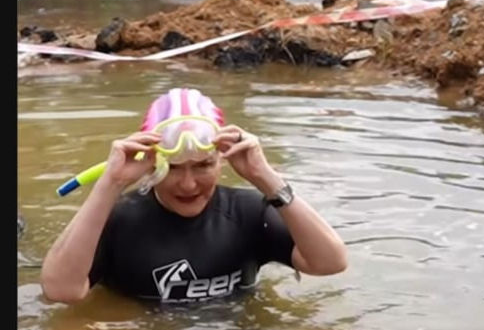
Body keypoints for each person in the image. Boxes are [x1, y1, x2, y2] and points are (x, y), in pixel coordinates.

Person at [41, 88, 348, 305]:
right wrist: (110, 184)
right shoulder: (119, 218)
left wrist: (265, 177)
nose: (188, 185)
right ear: (153, 163)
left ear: (222, 160)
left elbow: (330, 262)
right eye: (173, 168)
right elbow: (60, 291)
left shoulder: (248, 212)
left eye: (203, 165)